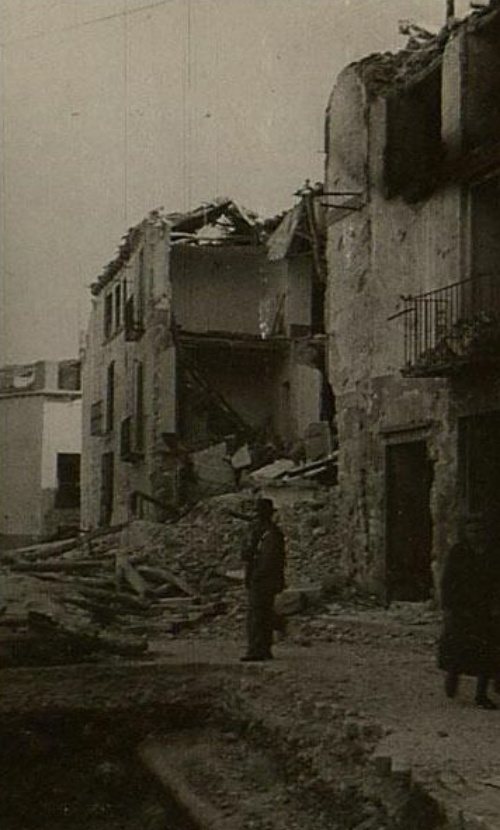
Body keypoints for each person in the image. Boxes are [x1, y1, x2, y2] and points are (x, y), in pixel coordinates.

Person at [438, 515, 499, 710]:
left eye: (480, 531)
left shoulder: (492, 553)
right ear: (465, 533)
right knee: (460, 647)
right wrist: (449, 606)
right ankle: (454, 674)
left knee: (487, 651)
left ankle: (481, 695)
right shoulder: (459, 552)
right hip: (462, 608)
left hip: (485, 608)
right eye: (472, 531)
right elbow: (447, 581)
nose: (476, 535)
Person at [241, 497, 286, 662]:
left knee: (257, 615)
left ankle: (257, 650)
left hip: (264, 580)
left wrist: (256, 577)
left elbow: (268, 560)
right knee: (263, 614)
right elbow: (245, 554)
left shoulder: (270, 534)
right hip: (263, 579)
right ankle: (263, 649)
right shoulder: (263, 532)